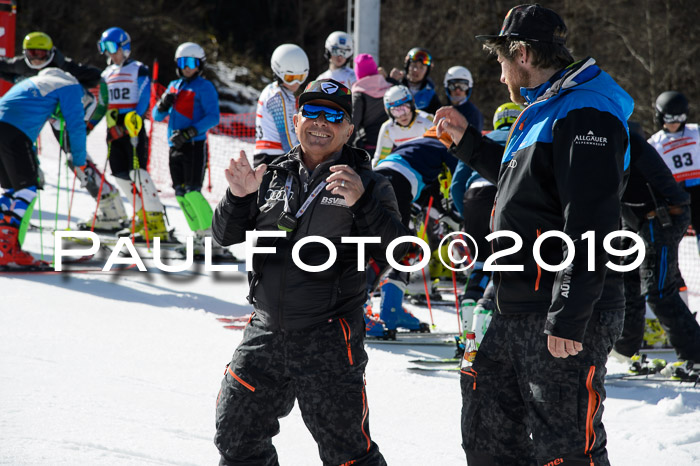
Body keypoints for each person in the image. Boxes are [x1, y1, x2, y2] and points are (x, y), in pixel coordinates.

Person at [435, 4, 633, 464]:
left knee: (564, 448)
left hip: (558, 307)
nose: (500, 73)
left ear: (522, 53)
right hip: (508, 299)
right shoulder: (545, 108)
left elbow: (590, 219)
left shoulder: (586, 112)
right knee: (487, 429)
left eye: (502, 61)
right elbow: (527, 189)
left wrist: (569, 314)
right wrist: (468, 144)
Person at [212, 79, 404, 465]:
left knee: (347, 453)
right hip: (266, 330)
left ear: (349, 129)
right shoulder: (270, 175)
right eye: (313, 112)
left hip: (329, 336)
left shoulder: (369, 182)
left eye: (334, 115)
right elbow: (224, 235)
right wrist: (238, 197)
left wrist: (363, 204)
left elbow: (400, 251)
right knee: (236, 437)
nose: (321, 122)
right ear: (296, 119)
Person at [614, 124, 700, 363]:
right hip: (636, 217)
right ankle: (626, 347)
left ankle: (695, 355)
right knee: (626, 276)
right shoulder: (609, 135)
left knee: (658, 291)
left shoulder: (620, 136)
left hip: (662, 217)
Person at [0, 68, 87, 267]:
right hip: (15, 132)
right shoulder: (71, 86)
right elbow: (76, 126)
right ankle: (5, 248)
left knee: (11, 191)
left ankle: (8, 245)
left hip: (5, 126)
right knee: (28, 189)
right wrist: (80, 162)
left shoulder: (36, 82)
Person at [151, 42, 231, 258]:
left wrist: (188, 133)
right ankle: (198, 236)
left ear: (200, 65)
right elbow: (157, 117)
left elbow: (213, 117)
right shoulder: (174, 86)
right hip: (173, 146)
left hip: (193, 146)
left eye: (192, 63)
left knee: (193, 192)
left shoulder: (204, 87)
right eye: (183, 63)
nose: (187, 67)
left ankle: (213, 238)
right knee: (180, 194)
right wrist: (163, 103)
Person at [451, 103, 522, 337]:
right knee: (504, 263)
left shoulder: (482, 137)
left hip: (474, 197)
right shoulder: (523, 136)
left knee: (481, 262)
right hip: (503, 195)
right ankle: (483, 325)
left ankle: (466, 332)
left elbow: (456, 185)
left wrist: (466, 217)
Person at [98, 27, 168, 241]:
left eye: (111, 47)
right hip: (113, 126)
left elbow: (145, 98)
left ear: (124, 47)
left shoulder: (138, 69)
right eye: (104, 48)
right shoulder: (106, 74)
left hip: (132, 123)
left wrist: (131, 122)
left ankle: (156, 220)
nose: (109, 53)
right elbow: (103, 103)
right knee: (119, 174)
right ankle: (140, 217)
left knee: (137, 172)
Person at [647, 91, 700, 253]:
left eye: (680, 118)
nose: (675, 123)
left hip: (697, 189)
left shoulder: (695, 131)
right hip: (674, 193)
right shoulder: (655, 142)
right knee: (671, 236)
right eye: (670, 118)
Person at [253, 43, 309, 168]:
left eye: (301, 77)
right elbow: (287, 136)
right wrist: (304, 157)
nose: (296, 83)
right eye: (290, 78)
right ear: (278, 72)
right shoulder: (277, 97)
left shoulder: (278, 91)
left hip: (271, 156)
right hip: (272, 158)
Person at [0, 31, 102, 88]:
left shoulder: (61, 65)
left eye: (40, 54)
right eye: (32, 54)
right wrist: (17, 80)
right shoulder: (20, 64)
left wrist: (72, 86)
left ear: (49, 53)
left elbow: (94, 76)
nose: (36, 59)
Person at [372, 84, 433, 167]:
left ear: (412, 104)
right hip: (407, 166)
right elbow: (380, 158)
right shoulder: (388, 128)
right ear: (388, 112)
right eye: (396, 111)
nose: (402, 115)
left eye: (405, 108)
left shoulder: (427, 121)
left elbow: (442, 148)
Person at [350, 53, 391, 153]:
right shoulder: (390, 87)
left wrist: (344, 148)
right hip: (390, 145)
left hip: (369, 147)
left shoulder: (359, 93)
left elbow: (353, 124)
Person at [389, 47, 442, 114]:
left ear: (427, 71)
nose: (416, 70)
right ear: (407, 66)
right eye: (414, 65)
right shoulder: (396, 84)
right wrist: (390, 82)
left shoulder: (430, 95)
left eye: (421, 67)